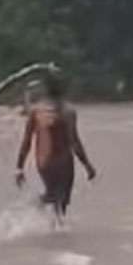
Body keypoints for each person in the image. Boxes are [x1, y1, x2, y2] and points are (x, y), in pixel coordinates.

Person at [15, 71, 98, 221]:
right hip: (63, 161)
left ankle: (50, 225)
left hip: (45, 162)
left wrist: (19, 167)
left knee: (56, 197)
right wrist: (87, 165)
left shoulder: (36, 111)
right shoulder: (68, 112)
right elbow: (74, 141)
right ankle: (39, 212)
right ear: (63, 89)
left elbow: (26, 141)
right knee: (59, 199)